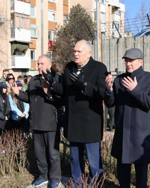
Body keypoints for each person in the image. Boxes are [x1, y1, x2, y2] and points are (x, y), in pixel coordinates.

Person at [49, 40, 106, 187]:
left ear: (89, 53)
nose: (75, 54)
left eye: (79, 52)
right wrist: (54, 85)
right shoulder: (69, 67)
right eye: (74, 51)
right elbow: (65, 91)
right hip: (73, 123)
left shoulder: (99, 68)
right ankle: (77, 184)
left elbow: (102, 93)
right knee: (75, 159)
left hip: (90, 123)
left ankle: (96, 185)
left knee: (94, 162)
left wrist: (85, 86)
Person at [105, 48, 150, 188]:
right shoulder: (119, 79)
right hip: (122, 134)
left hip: (140, 135)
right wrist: (109, 91)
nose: (128, 63)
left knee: (141, 178)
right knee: (123, 176)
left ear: (140, 61)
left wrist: (135, 90)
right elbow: (111, 103)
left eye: (132, 61)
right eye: (126, 60)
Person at [11, 55, 62, 188]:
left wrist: (48, 92)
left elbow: (60, 100)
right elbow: (29, 97)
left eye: (42, 64)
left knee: (53, 154)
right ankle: (43, 175)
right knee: (39, 153)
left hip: (50, 123)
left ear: (49, 65)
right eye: (38, 64)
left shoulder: (56, 79)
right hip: (36, 122)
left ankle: (55, 178)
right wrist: (18, 93)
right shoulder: (34, 80)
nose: (39, 66)